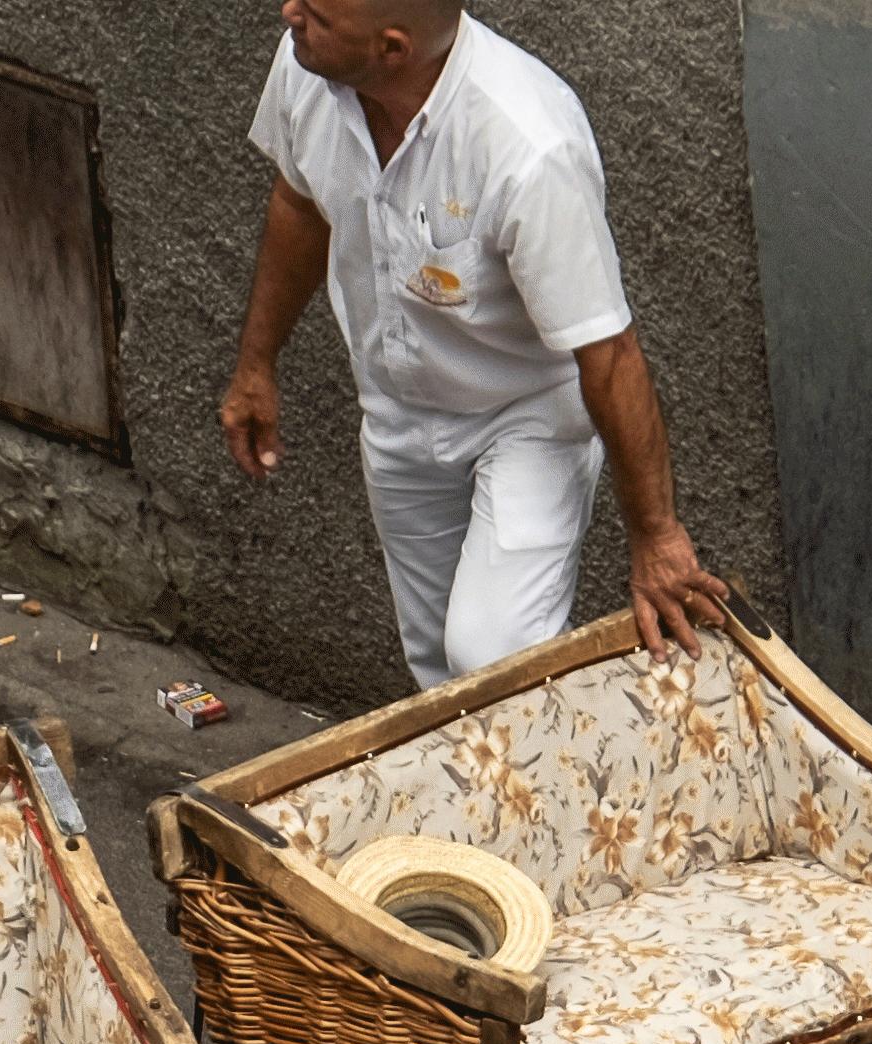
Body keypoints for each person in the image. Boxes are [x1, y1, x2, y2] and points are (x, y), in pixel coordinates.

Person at [225, 0, 731, 681]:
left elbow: (608, 354)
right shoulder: (308, 65)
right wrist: (256, 364)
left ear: (392, 49)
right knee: (436, 666)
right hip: (396, 412)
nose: (290, 12)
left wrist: (657, 536)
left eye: (316, 13)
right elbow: (300, 204)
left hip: (527, 416)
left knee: (491, 656)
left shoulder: (528, 144)